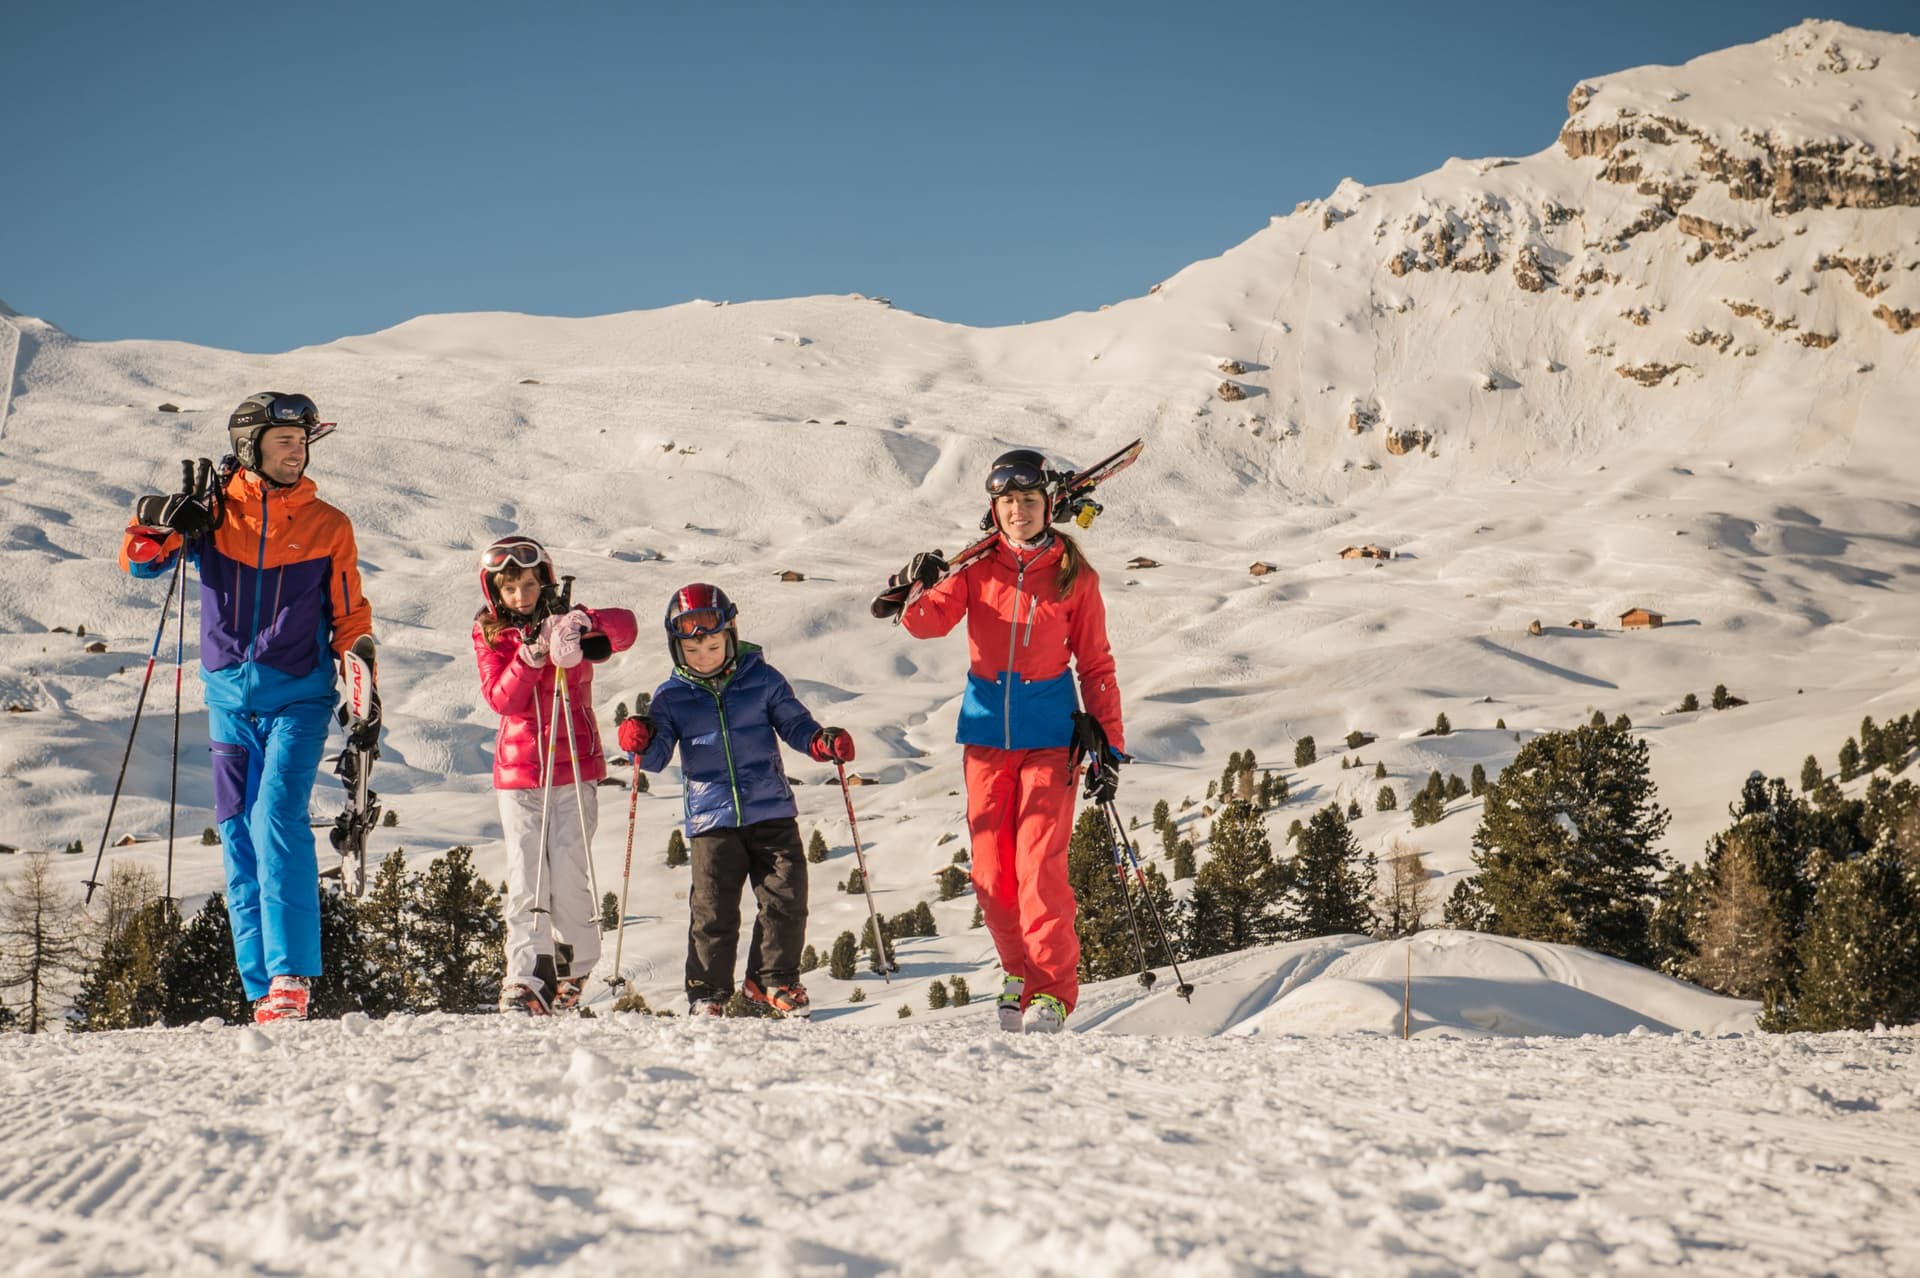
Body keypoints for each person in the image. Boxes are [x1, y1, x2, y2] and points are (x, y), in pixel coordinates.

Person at [119, 392, 374, 1023]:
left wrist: (363, 683)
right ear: (249, 447)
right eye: (283, 441)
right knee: (236, 834)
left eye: (301, 441)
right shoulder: (211, 515)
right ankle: (261, 987)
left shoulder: (328, 524)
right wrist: (159, 520)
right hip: (228, 699)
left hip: (300, 696)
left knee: (275, 818)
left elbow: (350, 616)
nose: (296, 451)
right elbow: (142, 564)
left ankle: (291, 977)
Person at [888, 448, 1126, 1033]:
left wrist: (1109, 746)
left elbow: (1095, 664)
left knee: (1039, 865)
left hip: (1051, 737)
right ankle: (1017, 971)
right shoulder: (975, 568)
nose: (1017, 511)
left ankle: (1051, 991)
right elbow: (921, 623)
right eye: (1006, 502)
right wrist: (916, 582)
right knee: (992, 877)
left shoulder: (1075, 575)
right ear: (992, 509)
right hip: (986, 736)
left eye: (1027, 500)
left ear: (1049, 504)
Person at [618, 584, 853, 1017]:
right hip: (712, 820)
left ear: (730, 635)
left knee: (786, 898)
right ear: (677, 649)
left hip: (771, 808)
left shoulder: (762, 679)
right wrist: (640, 740)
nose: (705, 655)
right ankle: (707, 993)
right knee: (713, 911)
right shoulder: (671, 697)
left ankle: (772, 979)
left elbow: (795, 723)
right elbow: (655, 756)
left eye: (713, 643)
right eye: (693, 648)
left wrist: (820, 743)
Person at [472, 536, 637, 1015]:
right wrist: (530, 658)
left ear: (544, 580)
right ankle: (525, 977)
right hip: (520, 774)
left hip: (573, 769)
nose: (520, 596)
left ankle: (577, 962)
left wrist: (583, 624)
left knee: (568, 872)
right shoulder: (491, 634)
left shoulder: (569, 619)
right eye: (510, 589)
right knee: (527, 877)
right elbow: (502, 700)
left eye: (528, 583)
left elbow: (626, 628)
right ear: (495, 594)